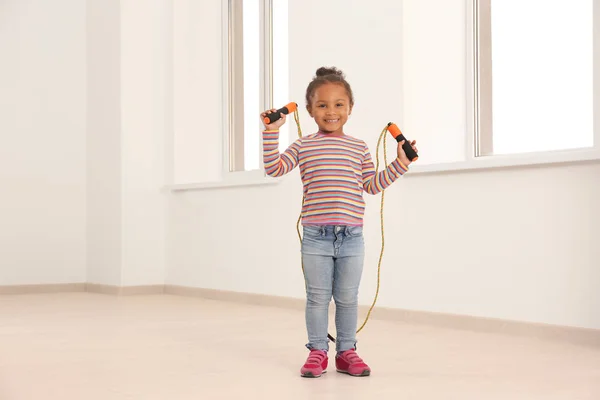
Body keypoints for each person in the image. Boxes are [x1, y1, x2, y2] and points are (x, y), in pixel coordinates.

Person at [260, 67, 417, 378]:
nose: (330, 112)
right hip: (316, 236)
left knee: (347, 297)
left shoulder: (358, 147)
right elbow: (274, 168)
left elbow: (372, 185)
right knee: (317, 297)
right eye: (322, 105)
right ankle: (318, 351)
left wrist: (400, 162)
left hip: (351, 237)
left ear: (350, 108)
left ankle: (346, 352)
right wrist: (271, 131)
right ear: (309, 111)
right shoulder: (304, 146)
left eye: (338, 104)